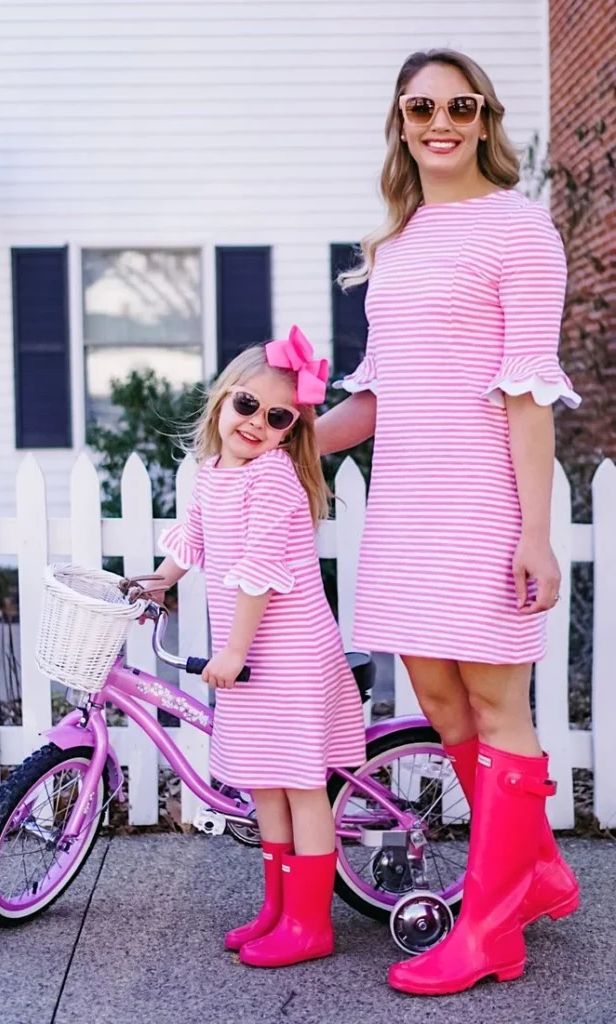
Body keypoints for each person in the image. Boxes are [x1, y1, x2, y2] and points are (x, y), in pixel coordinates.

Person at [315, 49, 581, 996]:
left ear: (483, 118)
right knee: (435, 694)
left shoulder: (519, 230)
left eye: (458, 105)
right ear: (399, 120)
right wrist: (283, 432)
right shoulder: (396, 242)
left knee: (496, 701)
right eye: (420, 105)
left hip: (485, 500)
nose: (439, 121)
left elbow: (527, 396)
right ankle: (540, 872)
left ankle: (490, 925)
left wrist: (534, 531)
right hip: (405, 502)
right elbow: (376, 398)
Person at [141, 326, 366, 969]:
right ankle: (277, 909)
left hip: (287, 651)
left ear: (289, 430)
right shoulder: (210, 471)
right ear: (222, 399)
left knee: (300, 786)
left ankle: (311, 923)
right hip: (249, 651)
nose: (256, 423)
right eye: (247, 405)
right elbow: (195, 539)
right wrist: (160, 583)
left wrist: (234, 652)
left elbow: (258, 574)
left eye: (276, 418)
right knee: (265, 784)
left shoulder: (272, 482)